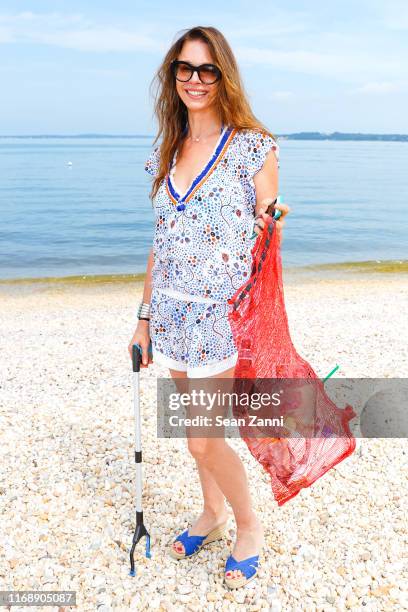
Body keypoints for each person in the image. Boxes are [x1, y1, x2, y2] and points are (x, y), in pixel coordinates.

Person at [128, 25, 290, 589]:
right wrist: (144, 319)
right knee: (195, 434)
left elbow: (270, 217)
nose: (195, 80)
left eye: (207, 70)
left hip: (221, 317)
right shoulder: (165, 152)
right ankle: (212, 513)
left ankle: (248, 528)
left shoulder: (252, 145)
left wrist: (274, 218)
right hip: (171, 314)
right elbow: (160, 242)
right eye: (185, 70)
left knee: (203, 437)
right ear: (173, 78)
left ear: (224, 76)